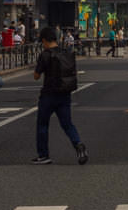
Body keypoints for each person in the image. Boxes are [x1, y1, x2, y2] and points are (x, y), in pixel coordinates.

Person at [32, 25, 87, 165]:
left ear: (44, 40)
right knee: (67, 124)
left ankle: (44, 155)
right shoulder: (65, 52)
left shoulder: (45, 54)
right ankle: (78, 143)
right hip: (64, 94)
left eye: (42, 42)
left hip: (48, 95)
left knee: (42, 124)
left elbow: (36, 76)